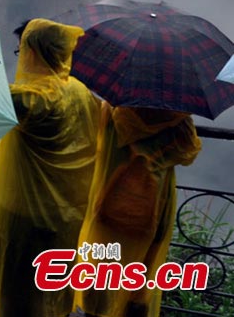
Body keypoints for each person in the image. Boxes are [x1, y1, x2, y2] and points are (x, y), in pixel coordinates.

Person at [0, 18, 100, 317]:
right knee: (52, 289)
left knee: (19, 295)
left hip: (25, 216)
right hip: (67, 215)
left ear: (35, 52)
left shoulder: (35, 98)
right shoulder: (80, 91)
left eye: (21, 50)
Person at [75, 103, 201, 317]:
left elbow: (97, 139)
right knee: (139, 276)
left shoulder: (114, 109)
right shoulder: (178, 118)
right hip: (152, 207)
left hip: (110, 202)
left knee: (101, 270)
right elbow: (188, 154)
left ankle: (95, 312)